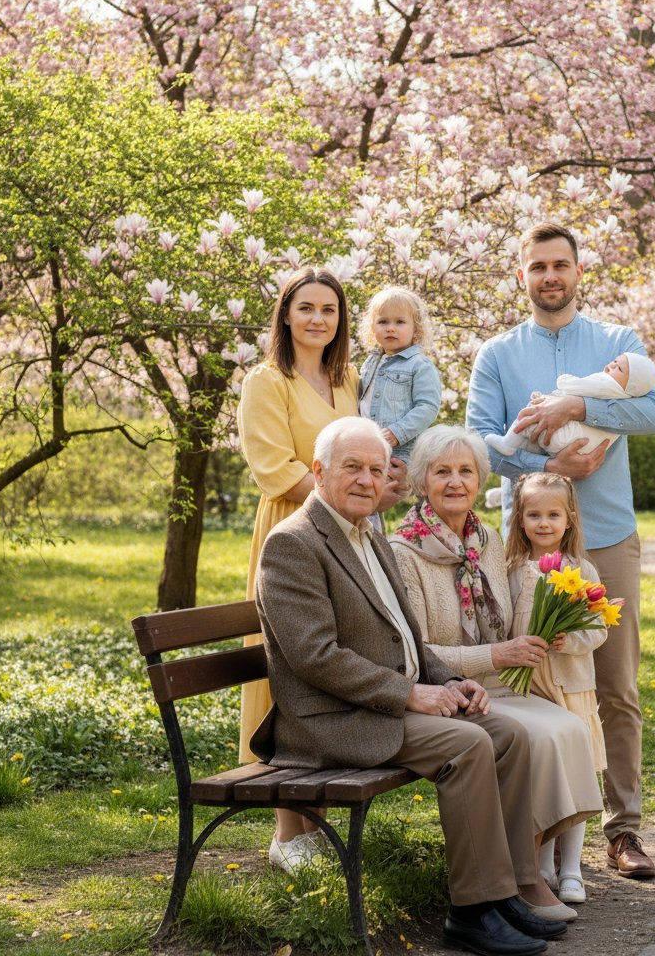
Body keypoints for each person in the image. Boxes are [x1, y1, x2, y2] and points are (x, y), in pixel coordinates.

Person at [250, 416, 566, 955]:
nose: (366, 480)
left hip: (381, 705)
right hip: (330, 721)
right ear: (319, 472)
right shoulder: (295, 544)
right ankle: (471, 910)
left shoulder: (367, 534)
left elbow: (408, 637)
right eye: (352, 468)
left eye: (376, 470)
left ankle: (507, 891)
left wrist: (450, 680)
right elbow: (314, 657)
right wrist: (409, 693)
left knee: (505, 733)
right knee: (469, 744)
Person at [466, 222, 655, 880]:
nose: (550, 276)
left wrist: (581, 402)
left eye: (560, 264)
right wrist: (548, 461)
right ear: (520, 276)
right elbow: (478, 439)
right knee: (526, 681)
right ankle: (534, 833)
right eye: (537, 266)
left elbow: (653, 413)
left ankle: (623, 831)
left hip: (606, 538)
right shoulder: (496, 354)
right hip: (524, 549)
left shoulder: (618, 343)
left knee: (614, 687)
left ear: (579, 271)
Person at [389, 425, 602, 922]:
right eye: (443, 472)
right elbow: (417, 651)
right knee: (540, 734)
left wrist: (544, 602)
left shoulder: (485, 540)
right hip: (448, 690)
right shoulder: (403, 552)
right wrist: (496, 657)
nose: (456, 482)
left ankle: (534, 867)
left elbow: (509, 619)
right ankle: (523, 877)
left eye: (466, 471)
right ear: (422, 481)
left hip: (499, 686)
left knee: (567, 727)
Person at [237, 267, 403, 872]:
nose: (317, 319)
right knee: (292, 665)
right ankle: (288, 832)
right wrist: (355, 494)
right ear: (285, 315)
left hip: (353, 535)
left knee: (345, 652)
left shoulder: (348, 378)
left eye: (329, 310)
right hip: (296, 533)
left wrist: (380, 483)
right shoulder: (266, 381)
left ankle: (319, 821)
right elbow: (273, 466)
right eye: (305, 307)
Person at [504, 472, 608, 906]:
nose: (543, 523)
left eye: (552, 514)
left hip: (570, 685)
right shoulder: (511, 570)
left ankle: (572, 869)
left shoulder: (581, 569)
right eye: (533, 514)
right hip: (531, 690)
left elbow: (598, 627)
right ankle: (542, 864)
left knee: (576, 776)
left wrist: (572, 640)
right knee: (544, 780)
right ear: (520, 519)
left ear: (569, 519)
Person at [485, 350, 655, 457]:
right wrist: (548, 398)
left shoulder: (607, 384)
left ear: (631, 385)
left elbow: (576, 387)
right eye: (614, 361)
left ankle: (507, 444)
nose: (610, 367)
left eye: (619, 369)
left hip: (566, 438)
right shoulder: (625, 398)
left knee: (529, 416)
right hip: (579, 446)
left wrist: (564, 380)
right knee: (535, 438)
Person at [358, 286, 443, 463]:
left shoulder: (419, 365)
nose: (390, 328)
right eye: (383, 322)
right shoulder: (371, 362)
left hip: (400, 451)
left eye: (399, 322)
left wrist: (398, 432)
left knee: (390, 489)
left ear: (416, 329)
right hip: (366, 446)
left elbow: (427, 407)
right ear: (372, 328)